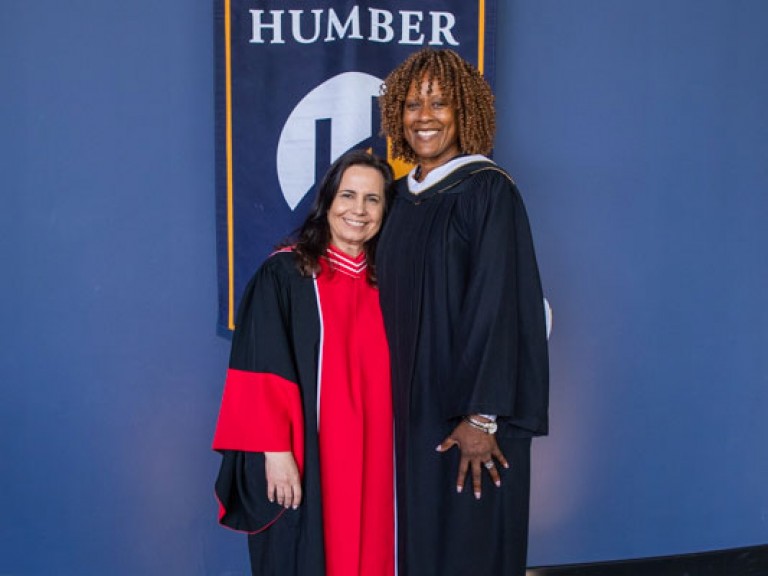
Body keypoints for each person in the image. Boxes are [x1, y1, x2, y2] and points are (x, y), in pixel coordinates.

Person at [377, 48, 550, 576]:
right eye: (411, 104)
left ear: (465, 111)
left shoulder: (487, 190)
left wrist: (481, 415)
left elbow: (500, 302)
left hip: (469, 412)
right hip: (409, 408)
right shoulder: (397, 198)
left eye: (439, 102)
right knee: (419, 541)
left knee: (467, 545)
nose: (423, 117)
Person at [212, 150, 395, 576]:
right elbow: (258, 365)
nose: (359, 210)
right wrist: (276, 452)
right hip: (310, 455)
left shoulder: (391, 281)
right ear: (327, 201)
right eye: (348, 195)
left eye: (373, 200)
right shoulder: (287, 274)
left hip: (378, 458)